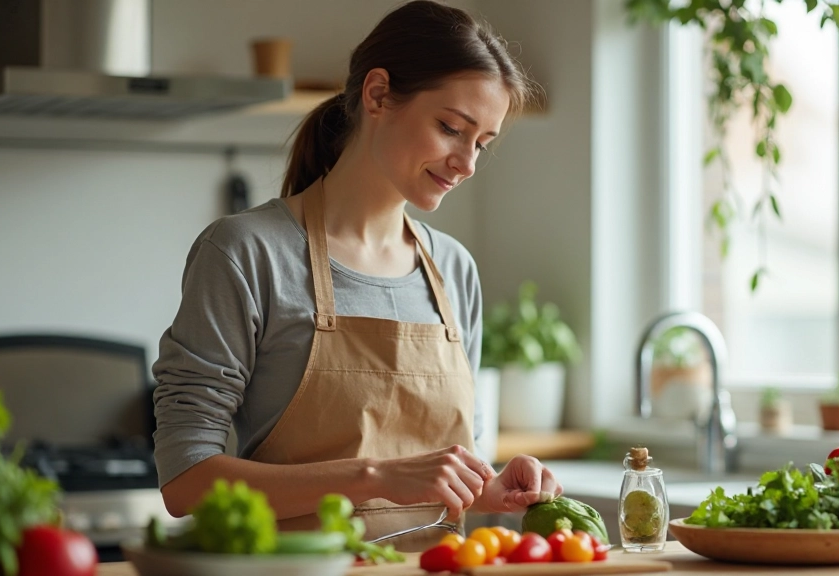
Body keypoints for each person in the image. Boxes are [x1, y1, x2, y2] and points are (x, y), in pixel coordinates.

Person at [151, 0, 562, 551]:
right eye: (450, 128)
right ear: (377, 95)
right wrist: (373, 479)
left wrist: (489, 487)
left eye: (481, 144)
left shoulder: (453, 270)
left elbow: (456, 463)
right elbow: (185, 481)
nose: (466, 163)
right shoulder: (247, 253)